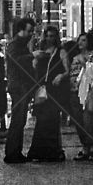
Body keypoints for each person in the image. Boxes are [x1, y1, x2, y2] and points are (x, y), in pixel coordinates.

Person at [26, 24, 69, 162]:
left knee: (52, 119)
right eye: (48, 36)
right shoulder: (41, 51)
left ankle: (53, 150)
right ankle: (40, 151)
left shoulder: (61, 52)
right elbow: (33, 67)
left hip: (54, 90)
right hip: (41, 88)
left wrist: (61, 76)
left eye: (52, 36)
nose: (49, 39)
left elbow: (67, 70)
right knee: (41, 120)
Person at [68, 33, 93, 161]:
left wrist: (85, 64)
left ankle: (92, 147)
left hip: (89, 93)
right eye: (79, 40)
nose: (80, 43)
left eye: (84, 40)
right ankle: (85, 147)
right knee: (78, 120)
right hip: (75, 92)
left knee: (89, 121)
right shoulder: (74, 57)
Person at [3, 16, 36, 164]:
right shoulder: (14, 44)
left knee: (20, 119)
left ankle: (15, 151)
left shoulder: (21, 44)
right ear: (21, 30)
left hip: (22, 86)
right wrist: (32, 56)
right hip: (18, 86)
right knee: (18, 119)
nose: (31, 34)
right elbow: (16, 60)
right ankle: (12, 152)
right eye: (29, 31)